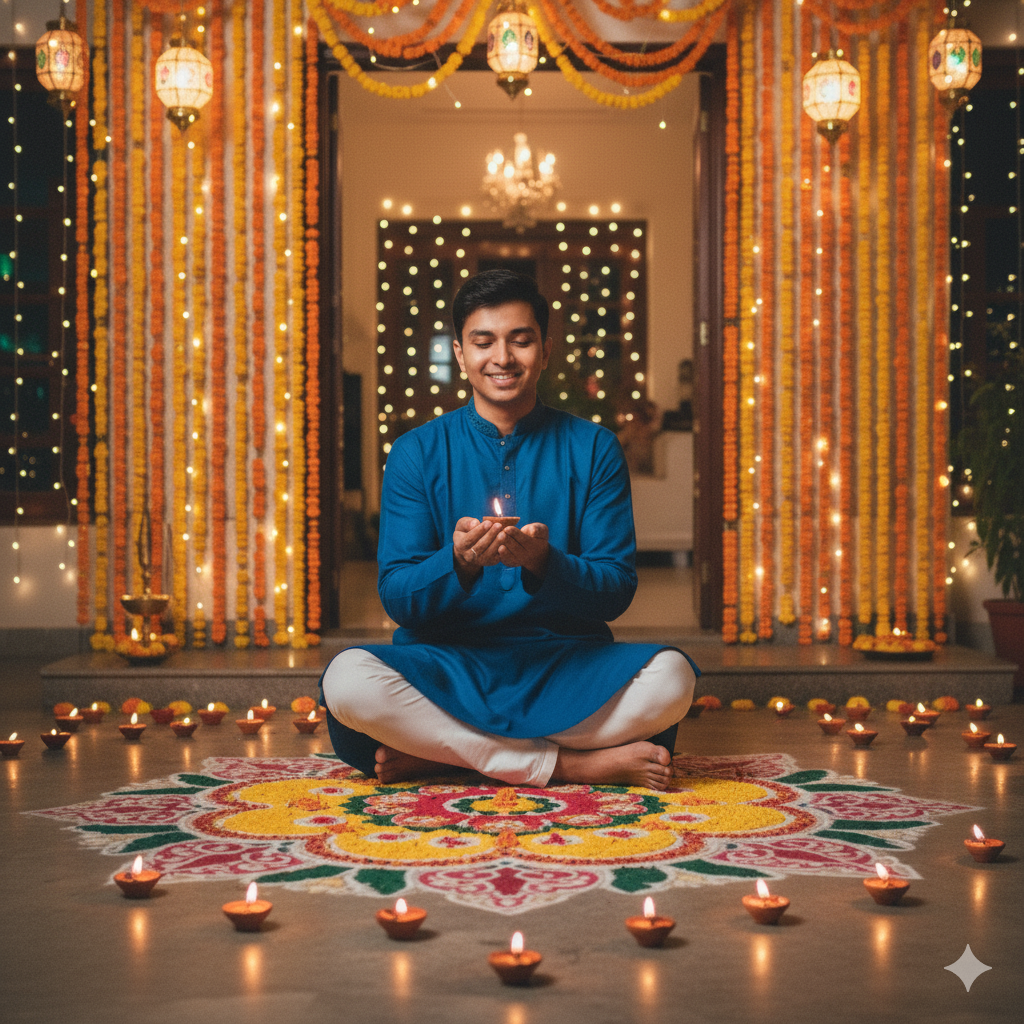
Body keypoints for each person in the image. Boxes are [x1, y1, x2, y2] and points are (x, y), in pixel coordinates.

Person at [320, 269, 698, 791]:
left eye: (521, 340)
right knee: (348, 682)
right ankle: (572, 766)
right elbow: (398, 598)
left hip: (564, 664)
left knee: (673, 678)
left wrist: (545, 562)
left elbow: (615, 590)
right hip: (448, 664)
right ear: (460, 354)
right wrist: (457, 562)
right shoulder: (415, 452)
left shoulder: (593, 448)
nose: (503, 357)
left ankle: (452, 757)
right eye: (484, 342)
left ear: (545, 350)